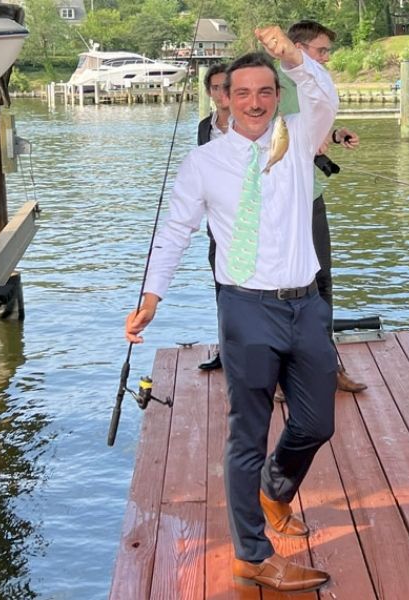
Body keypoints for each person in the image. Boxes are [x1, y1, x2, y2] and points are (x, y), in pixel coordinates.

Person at [125, 27, 338, 593]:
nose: (253, 102)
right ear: (224, 97)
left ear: (276, 95)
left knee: (317, 423)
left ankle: (275, 488)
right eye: (241, 92)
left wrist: (293, 58)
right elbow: (174, 232)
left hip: (307, 306)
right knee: (247, 433)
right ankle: (252, 554)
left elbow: (323, 95)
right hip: (245, 310)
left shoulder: (298, 139)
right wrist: (151, 295)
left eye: (264, 91)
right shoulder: (203, 163)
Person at [279, 19, 366, 394]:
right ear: (298, 49)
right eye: (321, 51)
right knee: (283, 288)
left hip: (312, 199)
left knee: (322, 282)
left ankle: (328, 364)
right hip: (281, 204)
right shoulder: (275, 86)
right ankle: (282, 374)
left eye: (327, 52)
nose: (326, 58)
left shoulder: (313, 87)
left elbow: (315, 124)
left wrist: (333, 134)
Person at [197, 62, 230, 372]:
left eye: (227, 87)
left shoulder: (253, 125)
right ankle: (226, 349)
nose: (222, 93)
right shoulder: (204, 127)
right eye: (216, 88)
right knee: (221, 284)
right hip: (217, 221)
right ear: (209, 92)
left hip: (248, 218)